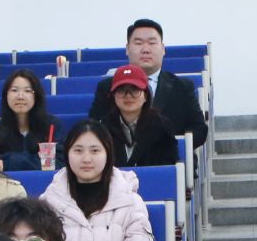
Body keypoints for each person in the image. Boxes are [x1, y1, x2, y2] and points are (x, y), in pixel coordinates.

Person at [88, 17, 207, 147]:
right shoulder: (107, 87)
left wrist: (166, 146)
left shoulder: (182, 86)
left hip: (169, 157)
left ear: (163, 49)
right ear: (127, 49)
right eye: (138, 43)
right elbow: (94, 128)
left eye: (152, 43)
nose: (145, 49)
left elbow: (199, 130)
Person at [41, 121, 155, 241]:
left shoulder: (130, 202)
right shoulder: (48, 204)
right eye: (78, 151)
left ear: (108, 153)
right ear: (67, 154)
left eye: (95, 151)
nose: (86, 159)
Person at [99, 64, 179, 168]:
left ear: (146, 95)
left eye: (135, 90)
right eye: (121, 90)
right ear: (113, 96)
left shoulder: (162, 126)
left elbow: (168, 169)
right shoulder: (103, 127)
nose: (128, 96)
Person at [0, 69, 58, 171]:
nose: (20, 96)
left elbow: (60, 162)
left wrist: (8, 161)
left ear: (36, 96)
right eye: (14, 90)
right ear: (6, 95)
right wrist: (37, 160)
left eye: (27, 91)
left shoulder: (52, 126)